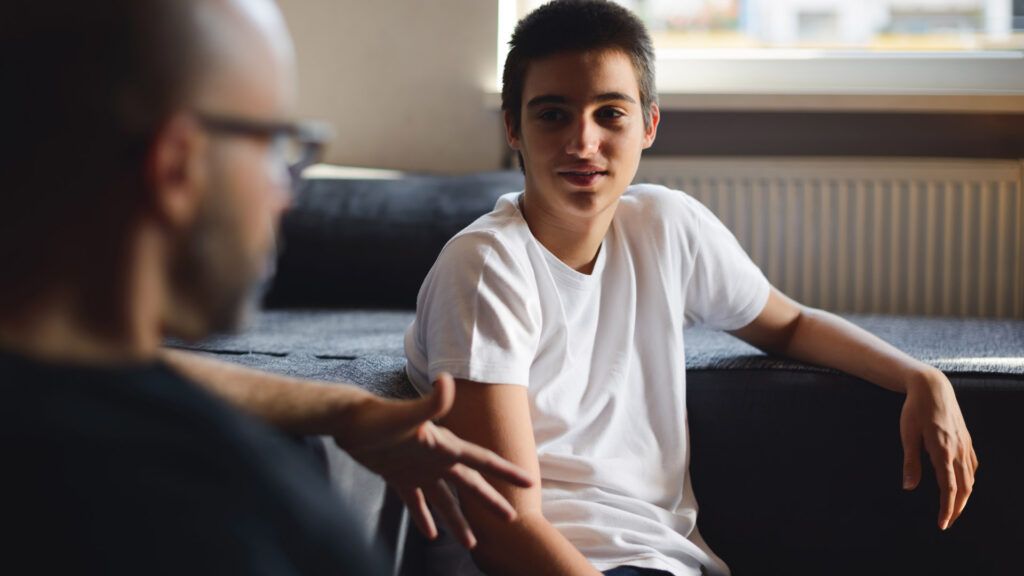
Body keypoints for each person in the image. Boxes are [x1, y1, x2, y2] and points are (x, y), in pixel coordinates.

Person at [403, 1, 979, 574]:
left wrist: (919, 377)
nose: (583, 142)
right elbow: (506, 524)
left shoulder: (666, 225)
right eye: (553, 114)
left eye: (610, 114)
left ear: (649, 125)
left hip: (665, 559)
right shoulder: (485, 268)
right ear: (513, 127)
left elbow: (790, 323)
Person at [0, 0, 530, 573]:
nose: (287, 193)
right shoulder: (217, 511)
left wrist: (344, 408)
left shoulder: (52, 368)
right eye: (278, 145)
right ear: (178, 165)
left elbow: (105, 365)